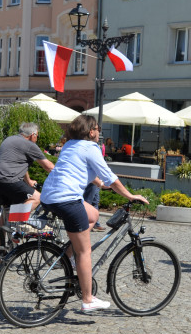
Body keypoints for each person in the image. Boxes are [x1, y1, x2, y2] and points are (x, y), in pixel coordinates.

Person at [40, 115, 148, 311]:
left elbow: (78, 169)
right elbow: (111, 177)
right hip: (68, 199)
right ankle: (88, 299)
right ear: (91, 131)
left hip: (49, 197)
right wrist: (130, 195)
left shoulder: (70, 144)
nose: (99, 133)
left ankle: (70, 255)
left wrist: (99, 183)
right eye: (98, 129)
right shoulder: (91, 147)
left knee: (93, 215)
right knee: (85, 252)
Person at [0, 122, 55, 215]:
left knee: (3, 212)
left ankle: (1, 228)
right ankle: (15, 221)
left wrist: (28, 181)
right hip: (8, 180)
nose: (37, 139)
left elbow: (19, 164)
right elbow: (48, 166)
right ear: (32, 135)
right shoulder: (29, 145)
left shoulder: (9, 139)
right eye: (37, 135)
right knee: (36, 198)